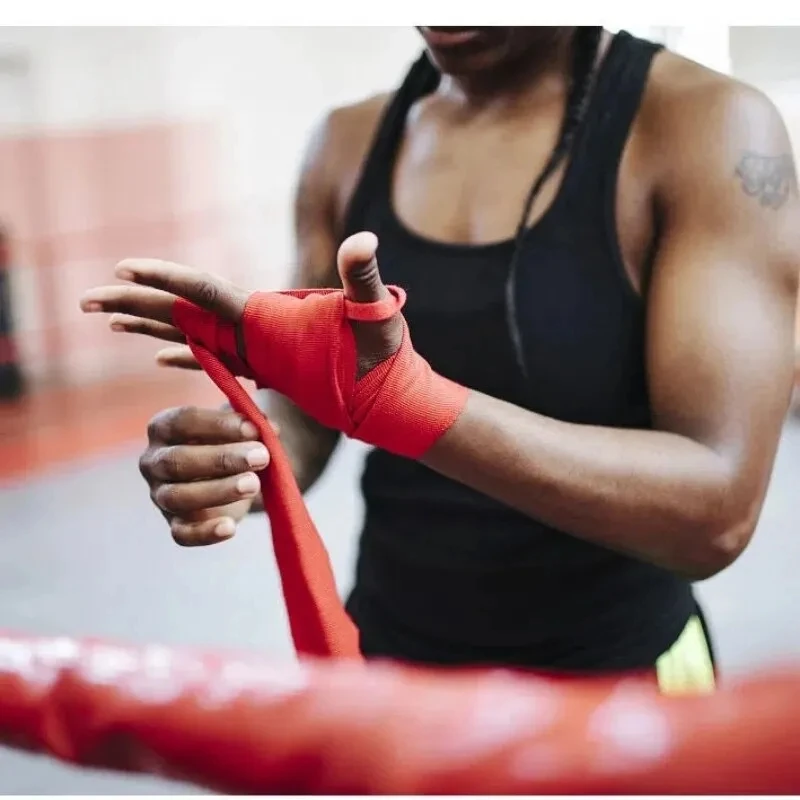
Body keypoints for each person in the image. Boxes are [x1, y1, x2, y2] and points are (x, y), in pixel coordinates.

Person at [82, 27, 799, 688]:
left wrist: (415, 406)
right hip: (394, 670)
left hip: (621, 681)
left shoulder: (705, 127)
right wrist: (251, 450)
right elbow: (312, 409)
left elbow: (717, 512)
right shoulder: (346, 142)